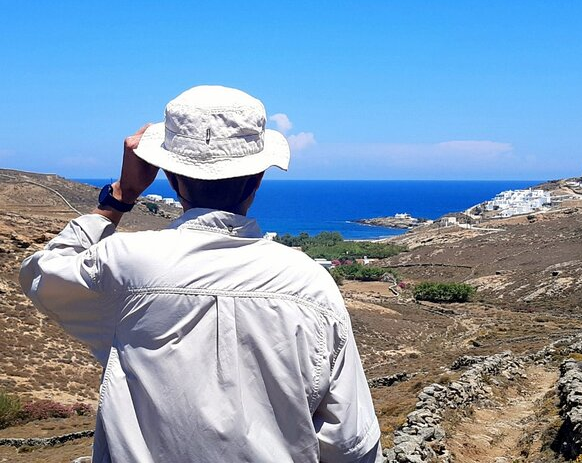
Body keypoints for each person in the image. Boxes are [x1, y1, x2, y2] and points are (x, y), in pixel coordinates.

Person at [19, 86, 382, 462]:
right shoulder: (310, 283)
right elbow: (350, 441)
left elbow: (40, 274)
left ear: (172, 179)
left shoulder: (123, 265)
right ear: (258, 178)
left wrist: (121, 197)